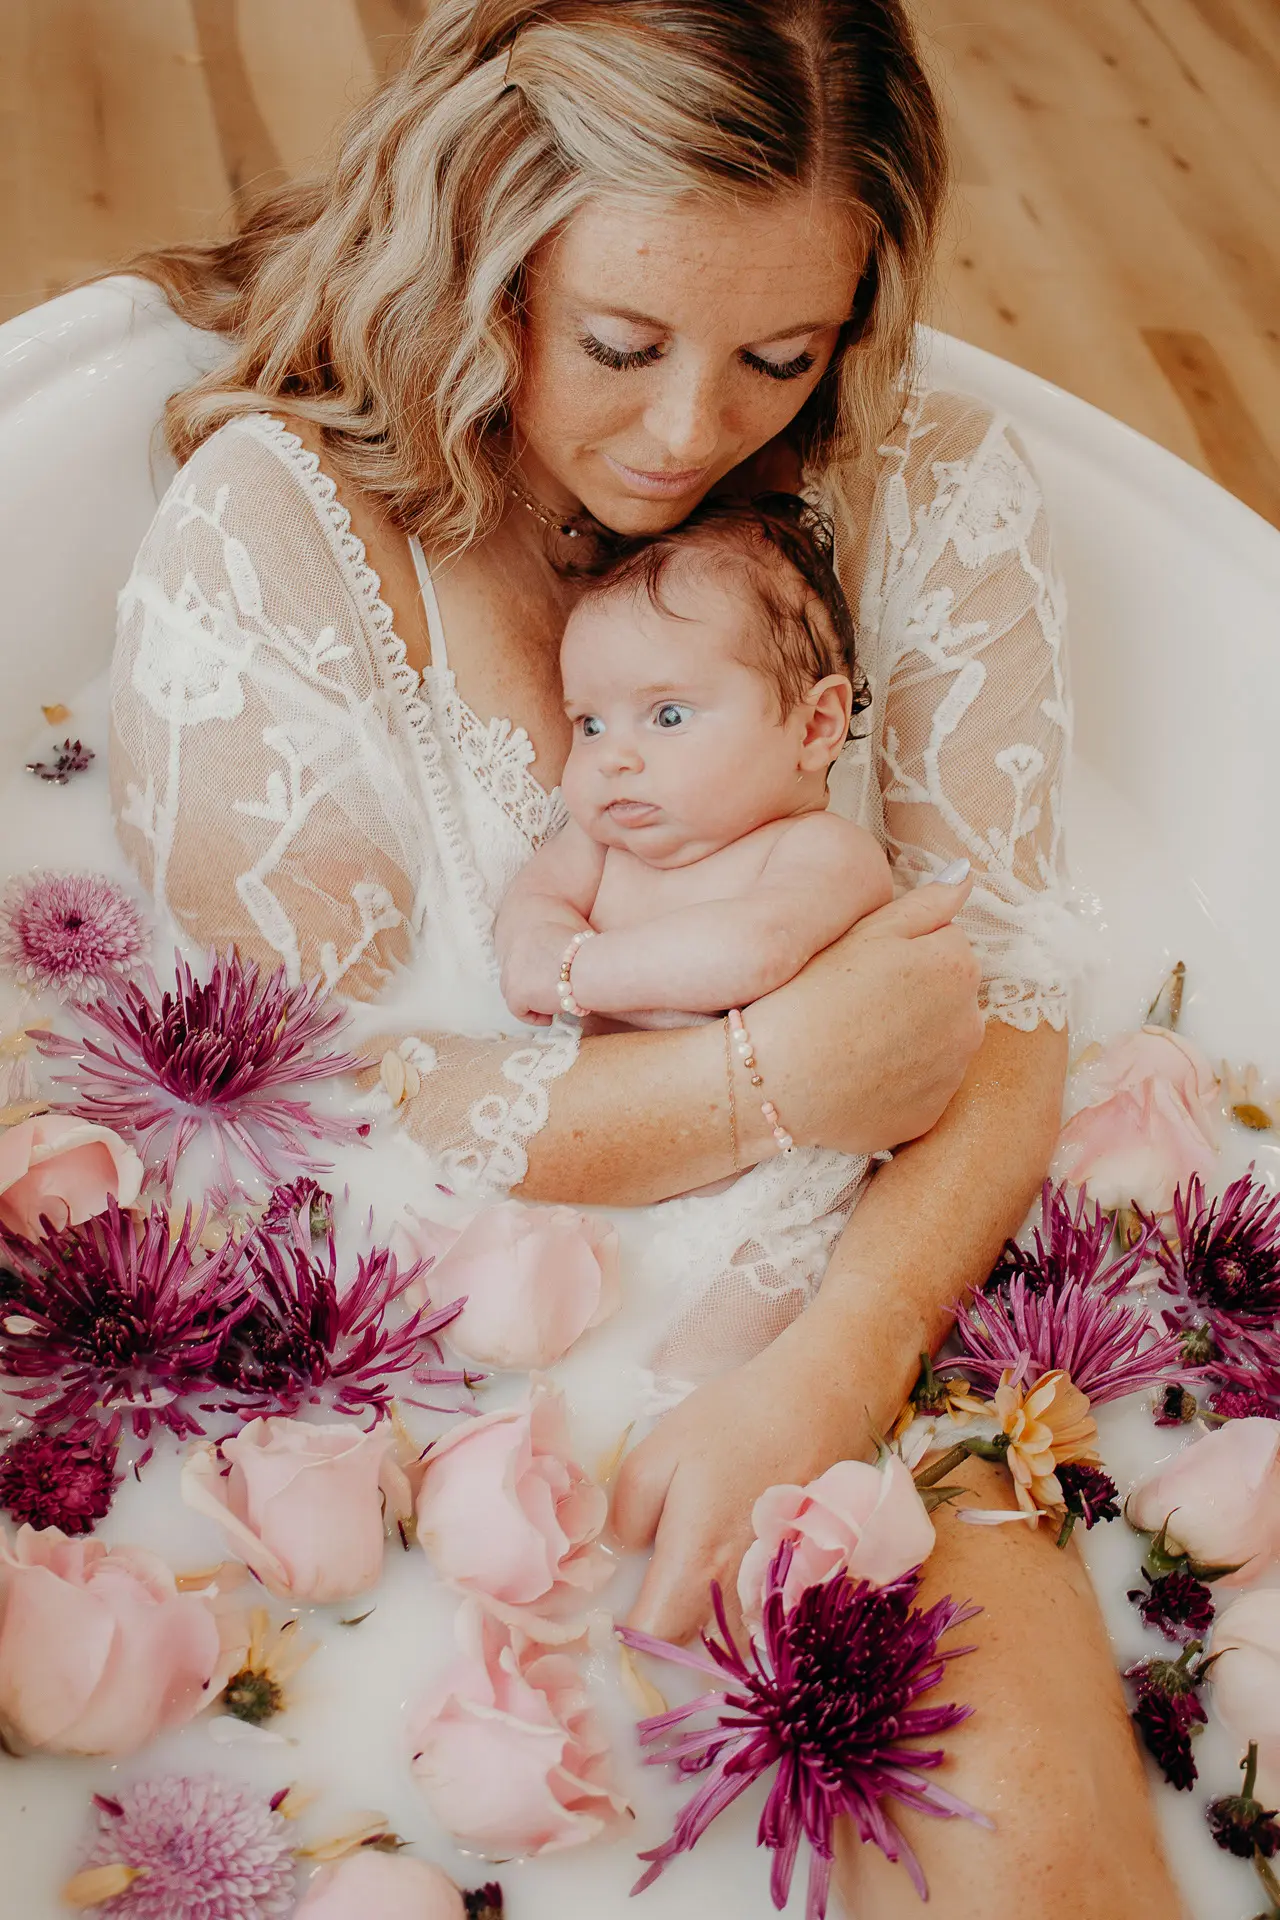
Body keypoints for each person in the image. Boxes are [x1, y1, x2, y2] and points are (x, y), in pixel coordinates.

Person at [110, 3, 1178, 1911]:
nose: (695, 433)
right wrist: (766, 1081)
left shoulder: (922, 486)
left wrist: (833, 1366)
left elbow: (1007, 995)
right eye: (620, 344)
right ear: (473, 258)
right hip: (409, 1334)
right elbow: (287, 1092)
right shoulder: (276, 546)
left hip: (879, 1275)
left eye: (783, 352)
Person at [495, 494, 895, 1033]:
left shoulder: (825, 851)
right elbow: (529, 905)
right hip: (613, 1104)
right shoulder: (606, 846)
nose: (611, 757)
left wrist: (572, 970)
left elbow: (754, 950)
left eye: (667, 716)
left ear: (815, 726)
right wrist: (537, 941)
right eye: (589, 724)